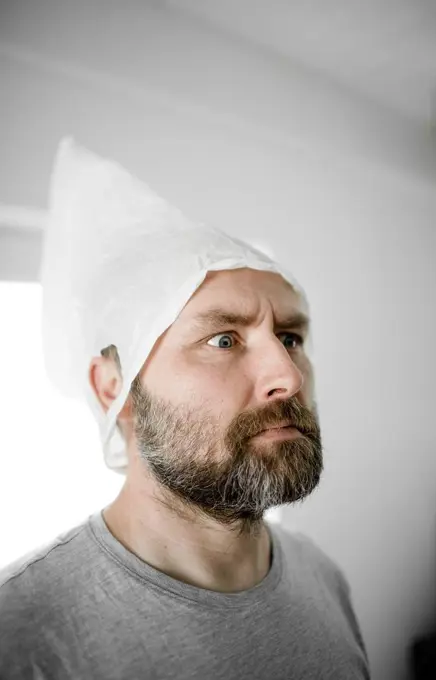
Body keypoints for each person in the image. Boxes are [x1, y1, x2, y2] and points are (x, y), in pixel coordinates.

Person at [0, 140, 370, 679]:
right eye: (224, 340)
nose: (288, 377)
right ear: (114, 390)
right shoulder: (26, 635)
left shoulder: (323, 577)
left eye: (289, 338)